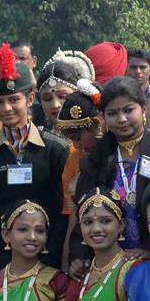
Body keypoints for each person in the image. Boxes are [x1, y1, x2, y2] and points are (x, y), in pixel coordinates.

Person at [0, 43, 69, 271]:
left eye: (14, 100)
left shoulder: (56, 150)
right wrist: (6, 265)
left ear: (30, 98)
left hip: (49, 264)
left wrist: (47, 264)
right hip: (3, 267)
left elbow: (62, 212)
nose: (6, 108)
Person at [72, 76, 150, 261]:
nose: (121, 119)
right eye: (112, 113)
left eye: (128, 110)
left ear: (144, 108)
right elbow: (84, 213)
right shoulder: (94, 160)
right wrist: (79, 258)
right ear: (104, 117)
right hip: (110, 261)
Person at [55, 89, 102, 271]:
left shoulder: (122, 154)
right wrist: (67, 268)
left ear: (97, 124)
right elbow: (73, 221)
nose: (75, 146)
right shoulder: (75, 161)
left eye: (77, 138)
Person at [34, 51, 96, 132]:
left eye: (63, 96)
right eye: (47, 99)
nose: (55, 105)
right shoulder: (39, 139)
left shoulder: (95, 133)